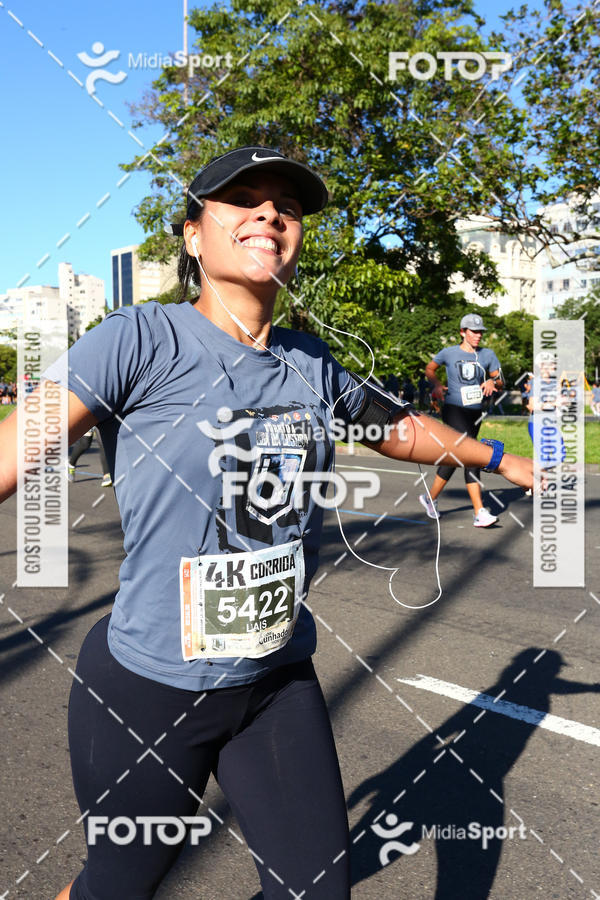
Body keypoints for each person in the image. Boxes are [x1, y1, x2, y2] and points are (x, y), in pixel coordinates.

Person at [0, 147, 532, 900]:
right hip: (150, 686)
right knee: (118, 884)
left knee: (317, 890)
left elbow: (397, 429)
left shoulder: (309, 360)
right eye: (241, 199)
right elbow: (13, 451)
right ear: (193, 235)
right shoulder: (139, 339)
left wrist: (504, 458)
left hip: (275, 681)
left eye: (285, 204)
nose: (268, 213)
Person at [421, 313, 504, 527]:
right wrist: (437, 385)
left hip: (475, 412)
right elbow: (429, 369)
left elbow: (500, 379)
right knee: (471, 452)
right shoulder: (449, 353)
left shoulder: (487, 354)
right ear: (462, 332)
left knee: (455, 456)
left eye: (480, 332)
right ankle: (479, 511)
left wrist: (492, 383)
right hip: (453, 409)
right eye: (474, 332)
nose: (478, 336)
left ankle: (430, 499)